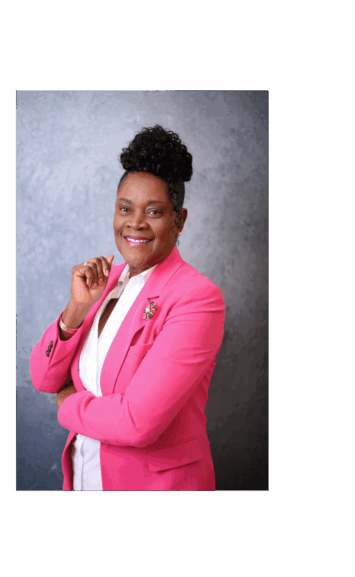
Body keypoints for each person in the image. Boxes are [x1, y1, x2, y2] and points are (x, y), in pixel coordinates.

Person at [30, 125, 225, 490]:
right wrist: (76, 309)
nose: (135, 223)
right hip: (86, 479)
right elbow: (43, 378)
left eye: (154, 211)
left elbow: (137, 422)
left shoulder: (197, 298)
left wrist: (68, 404)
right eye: (125, 208)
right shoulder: (104, 282)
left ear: (179, 221)